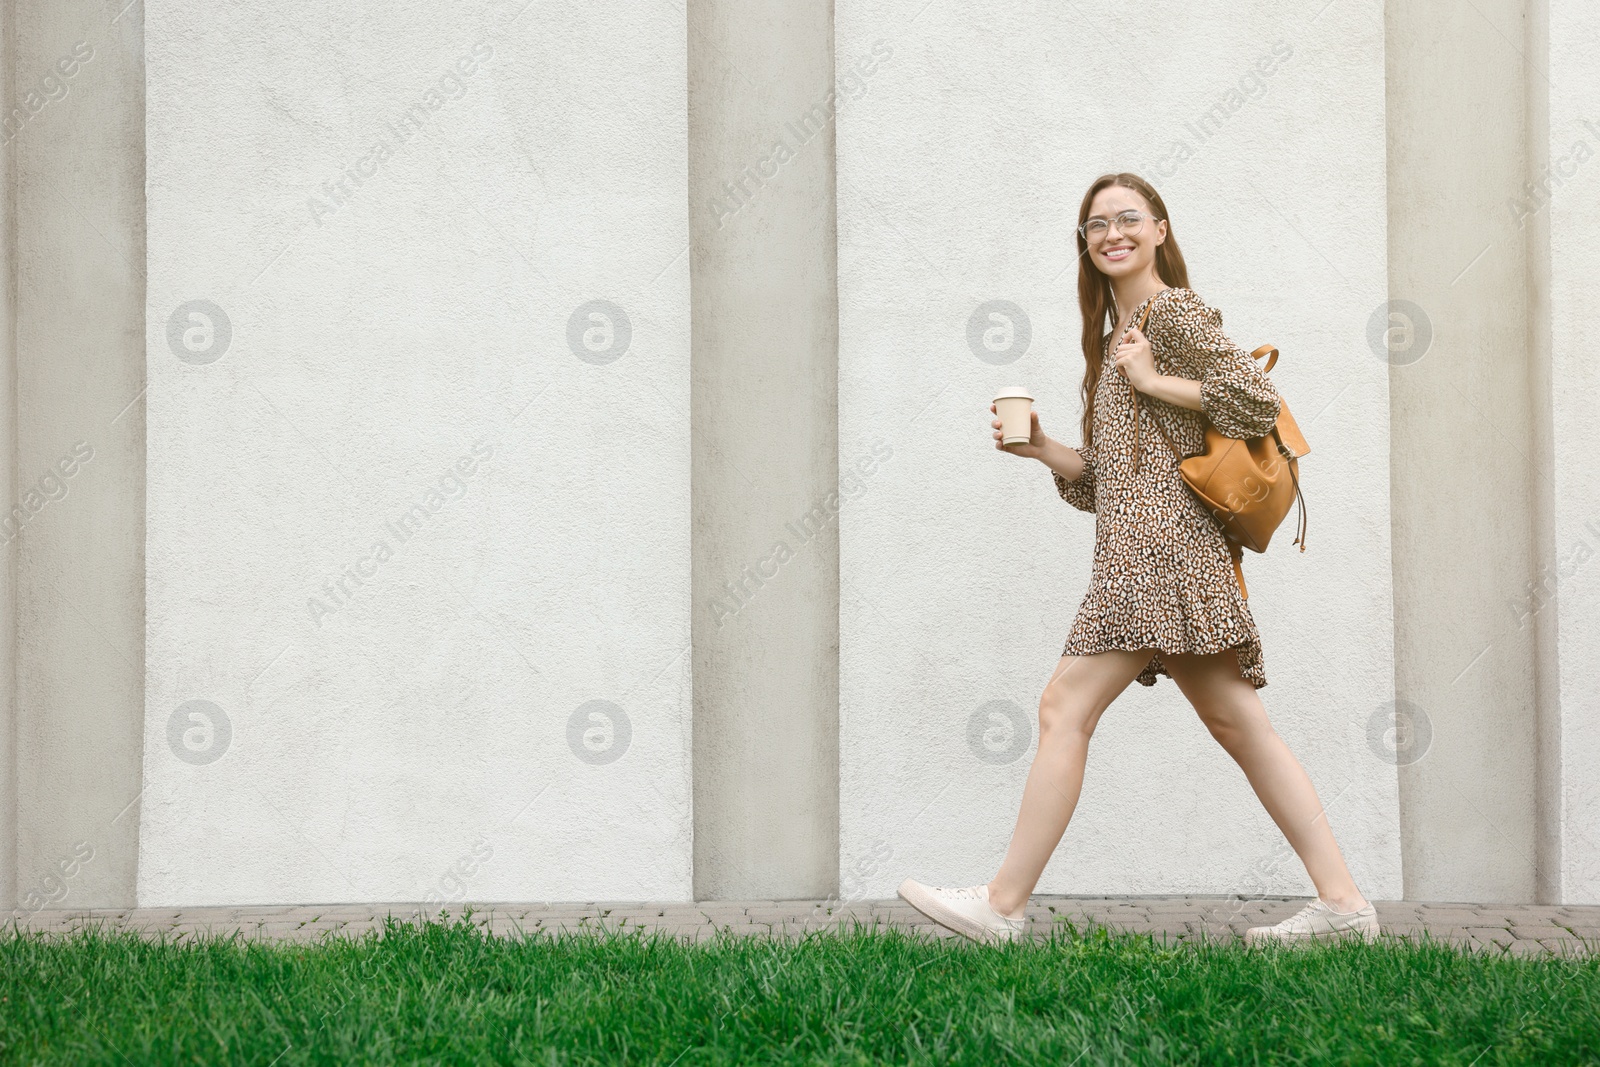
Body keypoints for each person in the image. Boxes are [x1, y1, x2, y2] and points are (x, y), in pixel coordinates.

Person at [897, 172, 1377, 948]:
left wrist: (1153, 377)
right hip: (1155, 548)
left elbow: (1255, 401)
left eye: (1128, 219)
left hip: (1160, 554)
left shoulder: (1173, 314)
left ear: (1159, 229)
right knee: (1238, 722)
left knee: (1065, 706)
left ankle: (1003, 905)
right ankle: (1346, 907)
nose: (1112, 232)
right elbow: (1111, 484)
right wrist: (1046, 450)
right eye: (1096, 225)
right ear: (1084, 245)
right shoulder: (1115, 337)